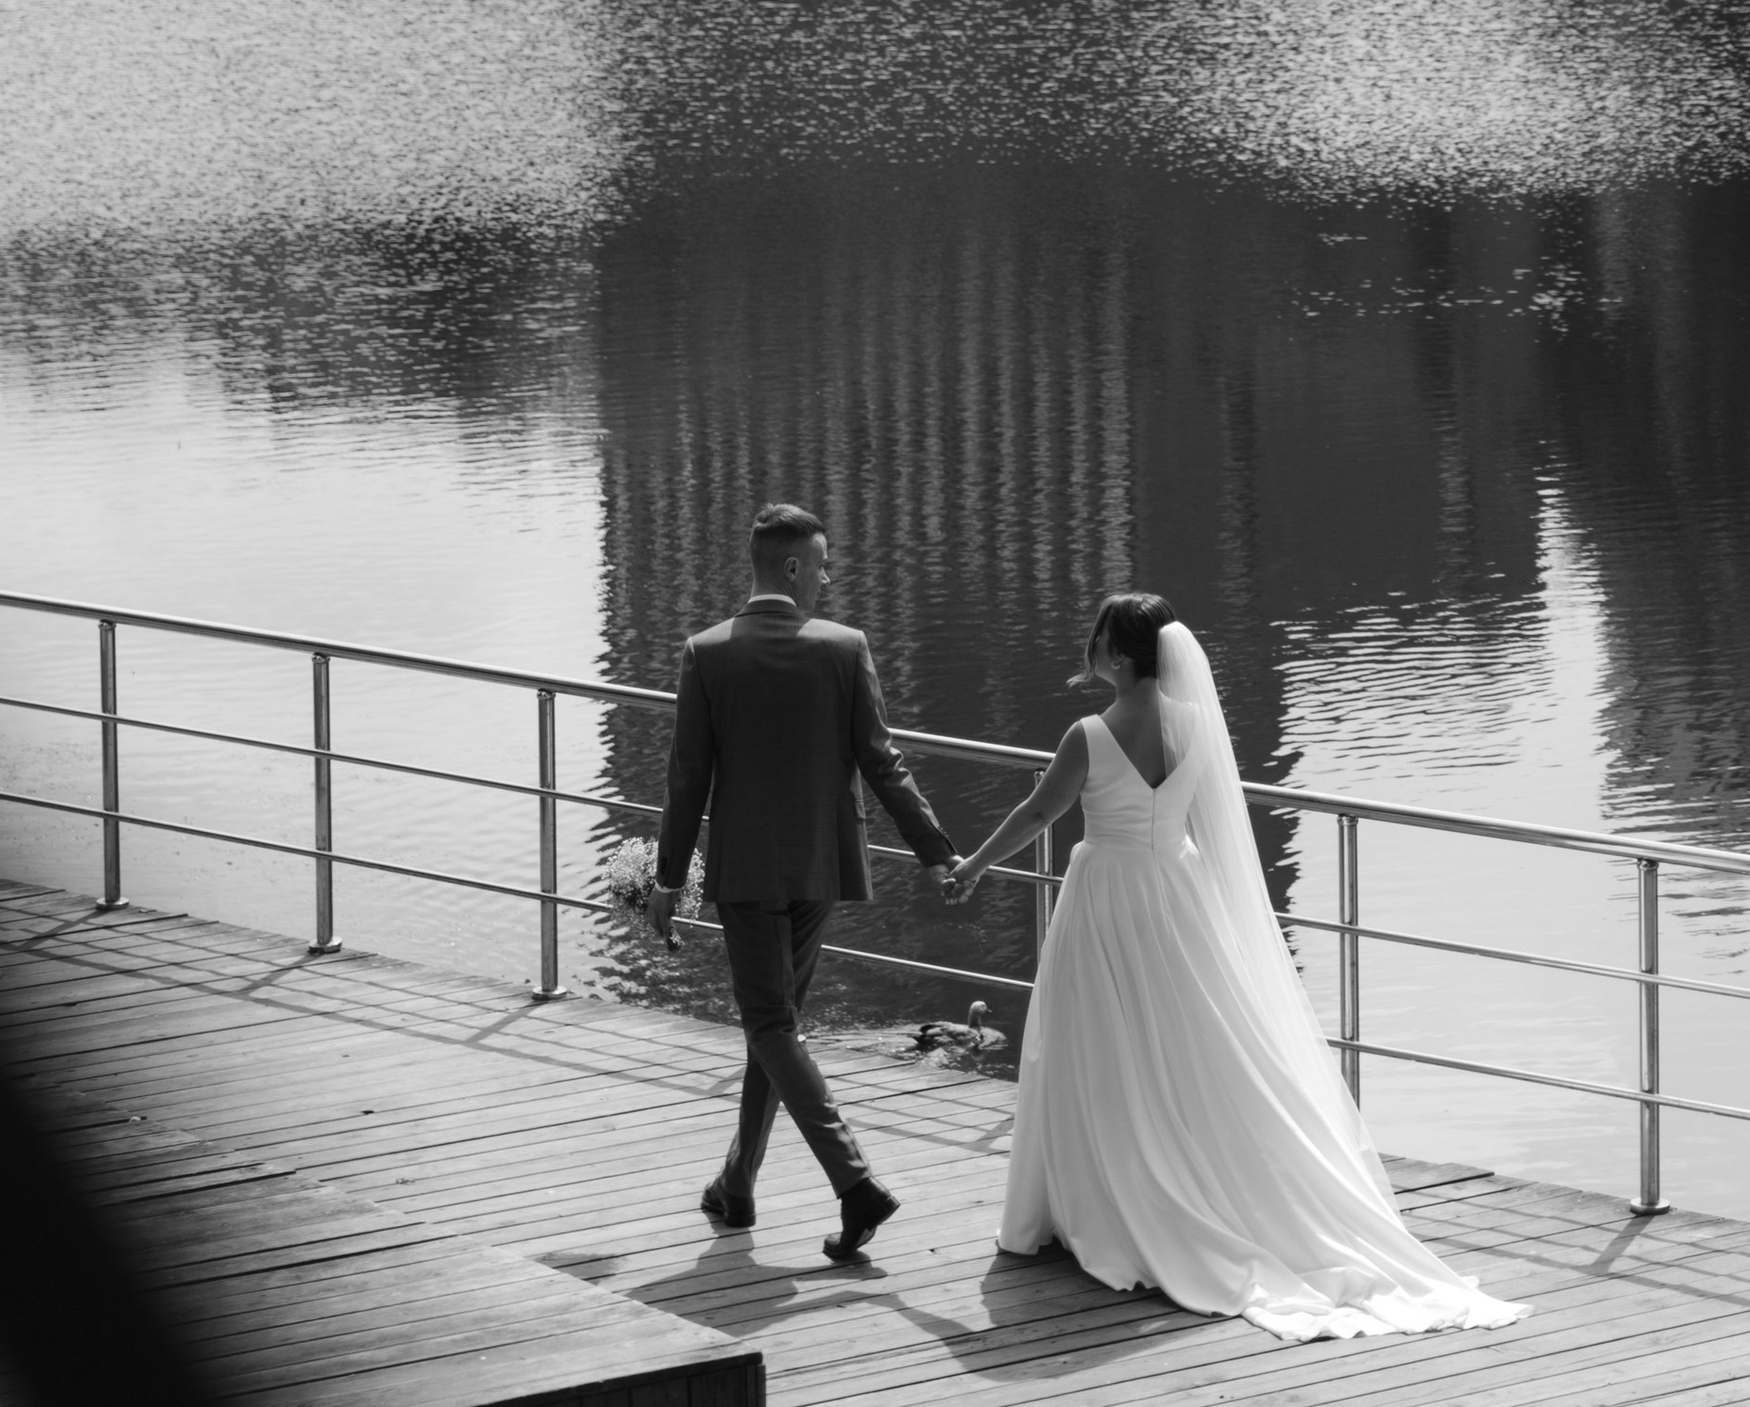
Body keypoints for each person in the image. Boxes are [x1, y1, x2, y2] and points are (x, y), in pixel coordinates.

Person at [945, 594, 1521, 1344]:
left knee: (1099, 1045)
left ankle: (1101, 1201)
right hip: (1178, 895)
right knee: (1189, 1047)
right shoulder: (1196, 726)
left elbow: (1035, 815)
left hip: (1108, 895)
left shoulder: (1087, 734)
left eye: (1095, 640)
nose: (1088, 650)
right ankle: (1187, 1181)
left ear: (1118, 656)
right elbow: (1211, 824)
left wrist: (974, 866)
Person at [649, 503, 961, 1261]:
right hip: (823, 864)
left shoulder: (707, 652)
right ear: (791, 566)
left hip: (748, 870)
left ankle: (855, 1185)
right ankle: (738, 1185)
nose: (827, 576)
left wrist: (667, 880)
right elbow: (884, 761)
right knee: (774, 1025)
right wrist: (934, 850)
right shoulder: (845, 647)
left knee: (770, 1025)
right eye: (821, 563)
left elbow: (688, 779)